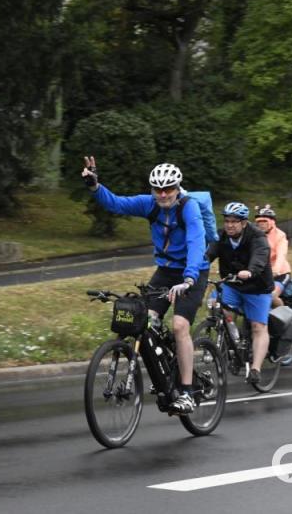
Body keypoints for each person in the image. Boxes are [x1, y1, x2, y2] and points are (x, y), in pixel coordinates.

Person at [81, 157, 210, 414]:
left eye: (168, 189)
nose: (163, 194)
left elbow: (197, 242)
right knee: (145, 320)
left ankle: (185, 391)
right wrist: (95, 186)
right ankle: (164, 367)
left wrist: (189, 279)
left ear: (177, 188)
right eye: (157, 189)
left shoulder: (189, 208)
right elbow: (116, 203)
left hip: (193, 272)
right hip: (165, 271)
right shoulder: (149, 204)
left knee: (180, 325)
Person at [206, 202, 274, 384]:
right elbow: (208, 254)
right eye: (227, 221)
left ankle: (255, 369)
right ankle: (230, 340)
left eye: (234, 222)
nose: (229, 225)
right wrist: (195, 269)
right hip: (231, 284)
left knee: (258, 327)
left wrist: (250, 271)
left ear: (244, 223)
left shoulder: (257, 236)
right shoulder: (221, 236)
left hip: (256, 287)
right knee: (215, 306)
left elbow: (260, 257)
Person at [254, 205, 291, 307]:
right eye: (259, 222)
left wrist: (276, 270)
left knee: (271, 295)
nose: (261, 224)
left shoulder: (280, 235)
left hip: (280, 274)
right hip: (261, 273)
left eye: (264, 221)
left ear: (272, 222)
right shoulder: (254, 235)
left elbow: (281, 255)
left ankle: (283, 319)